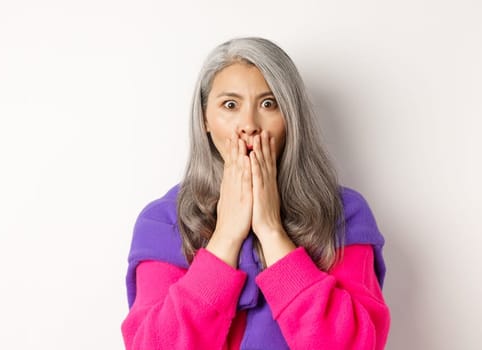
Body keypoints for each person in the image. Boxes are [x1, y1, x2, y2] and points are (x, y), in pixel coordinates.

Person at [121, 37, 390, 350]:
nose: (248, 125)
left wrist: (272, 231)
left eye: (268, 104)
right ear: (205, 119)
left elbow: (353, 344)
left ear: (291, 117)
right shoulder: (162, 221)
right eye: (230, 105)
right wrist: (226, 237)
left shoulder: (344, 212)